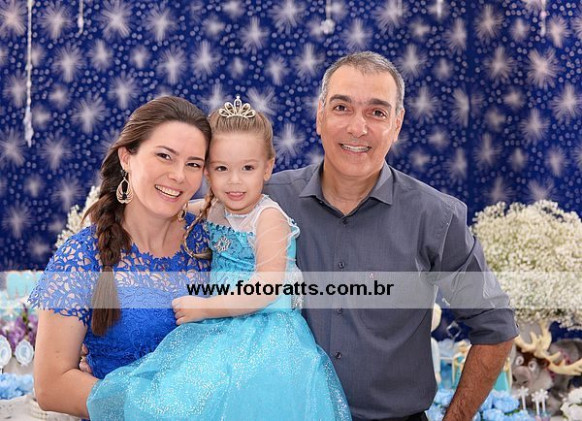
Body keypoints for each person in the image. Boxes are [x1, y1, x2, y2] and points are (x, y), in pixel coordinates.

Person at [264, 51, 519, 421]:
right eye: (342, 108)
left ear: (397, 124)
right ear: (320, 116)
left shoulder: (437, 217)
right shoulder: (268, 201)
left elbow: (496, 327)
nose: (357, 128)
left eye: (377, 112)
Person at [85, 97, 352, 421]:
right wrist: (113, 216)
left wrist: (205, 308)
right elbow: (169, 210)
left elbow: (267, 288)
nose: (234, 181)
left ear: (268, 167)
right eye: (221, 168)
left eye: (248, 168)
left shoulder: (268, 218)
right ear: (207, 171)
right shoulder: (212, 209)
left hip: (266, 336)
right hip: (221, 329)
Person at [29, 96, 212, 419]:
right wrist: (155, 408)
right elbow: (51, 385)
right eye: (164, 156)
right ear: (127, 157)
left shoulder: (211, 244)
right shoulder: (82, 257)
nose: (179, 175)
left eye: (193, 164)